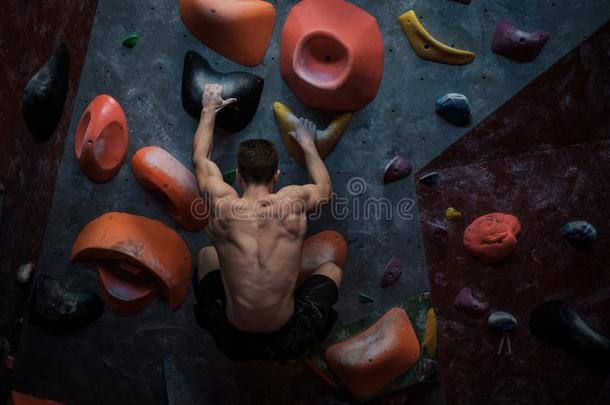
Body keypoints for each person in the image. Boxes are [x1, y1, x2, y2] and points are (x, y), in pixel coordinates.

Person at [191, 83, 343, 361]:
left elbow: (200, 158)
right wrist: (308, 144)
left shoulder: (221, 205)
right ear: (277, 176)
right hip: (289, 338)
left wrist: (209, 108)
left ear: (238, 176)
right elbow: (323, 188)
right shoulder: (292, 202)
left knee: (206, 255)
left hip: (230, 338)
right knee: (333, 269)